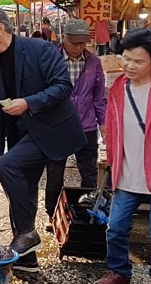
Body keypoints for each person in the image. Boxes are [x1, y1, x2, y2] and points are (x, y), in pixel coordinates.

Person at [0, 6, 86, 272]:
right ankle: (27, 257)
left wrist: (28, 103)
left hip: (51, 129)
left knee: (9, 167)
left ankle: (27, 233)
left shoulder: (39, 49)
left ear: (0, 28)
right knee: (21, 188)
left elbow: (62, 86)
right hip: (20, 134)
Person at [96, 28, 151, 284]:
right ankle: (119, 272)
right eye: (126, 58)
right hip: (126, 171)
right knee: (116, 227)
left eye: (138, 61)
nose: (129, 65)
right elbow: (112, 125)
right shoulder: (119, 86)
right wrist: (110, 156)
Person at [44, 20, 106, 221]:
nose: (79, 48)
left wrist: (103, 124)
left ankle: (84, 213)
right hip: (57, 126)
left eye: (83, 43)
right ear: (64, 38)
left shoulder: (94, 62)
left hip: (86, 125)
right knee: (55, 175)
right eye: (74, 43)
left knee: (88, 174)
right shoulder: (51, 58)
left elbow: (99, 97)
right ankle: (52, 214)